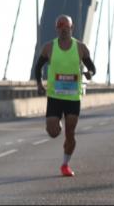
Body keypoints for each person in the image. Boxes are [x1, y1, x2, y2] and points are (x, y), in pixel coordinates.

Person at [34, 15, 97, 177]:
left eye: (66, 27)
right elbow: (38, 67)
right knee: (53, 132)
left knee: (70, 133)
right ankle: (57, 125)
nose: (63, 30)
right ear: (57, 29)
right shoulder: (49, 47)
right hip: (55, 96)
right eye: (60, 27)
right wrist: (40, 84)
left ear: (71, 28)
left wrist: (89, 73)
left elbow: (92, 68)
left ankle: (65, 164)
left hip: (72, 98)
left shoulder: (81, 48)